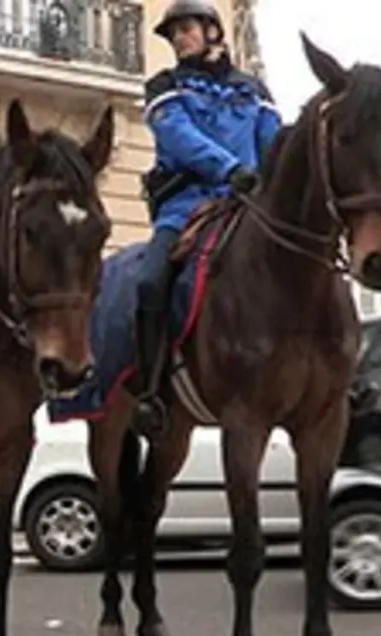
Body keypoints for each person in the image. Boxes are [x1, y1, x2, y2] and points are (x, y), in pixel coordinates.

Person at [133, 0, 284, 437]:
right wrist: (230, 169)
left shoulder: (253, 90)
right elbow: (179, 138)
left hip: (249, 204)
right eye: (174, 33)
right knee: (149, 281)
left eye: (187, 29)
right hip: (187, 207)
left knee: (307, 265)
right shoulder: (165, 86)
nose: (180, 38)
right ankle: (152, 393)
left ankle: (337, 381)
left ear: (213, 31)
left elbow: (272, 145)